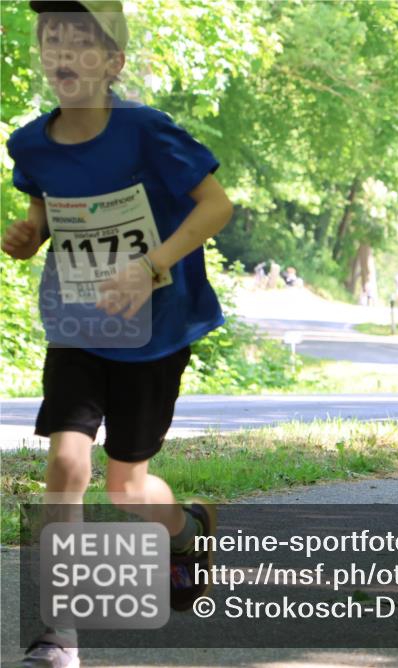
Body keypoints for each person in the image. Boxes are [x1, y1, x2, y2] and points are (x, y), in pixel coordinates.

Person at [3, 2, 230, 664]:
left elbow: (217, 204)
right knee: (66, 462)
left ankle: (188, 529)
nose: (62, 50)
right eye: (52, 39)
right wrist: (29, 234)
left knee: (126, 485)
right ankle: (57, 631)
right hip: (77, 323)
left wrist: (150, 266)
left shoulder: (146, 131)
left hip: (155, 329)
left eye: (80, 40)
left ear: (113, 63)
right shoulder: (33, 144)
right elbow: (46, 212)